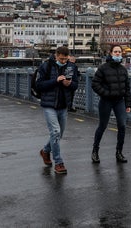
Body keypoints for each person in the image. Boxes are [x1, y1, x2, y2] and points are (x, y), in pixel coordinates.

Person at [36, 46, 79, 174]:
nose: (63, 61)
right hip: (49, 105)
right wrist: (55, 81)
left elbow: (75, 84)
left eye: (65, 59)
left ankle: (45, 151)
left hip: (63, 105)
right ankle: (58, 162)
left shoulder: (71, 67)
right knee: (55, 132)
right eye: (61, 59)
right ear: (56, 55)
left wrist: (69, 84)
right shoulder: (46, 66)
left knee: (59, 134)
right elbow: (39, 85)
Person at [91, 44, 131, 164]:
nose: (118, 53)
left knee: (122, 126)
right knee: (102, 126)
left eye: (119, 52)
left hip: (119, 101)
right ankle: (95, 151)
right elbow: (95, 84)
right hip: (106, 101)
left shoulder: (123, 69)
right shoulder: (103, 68)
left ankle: (119, 152)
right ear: (111, 53)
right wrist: (105, 93)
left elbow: (127, 88)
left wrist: (128, 104)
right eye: (115, 52)